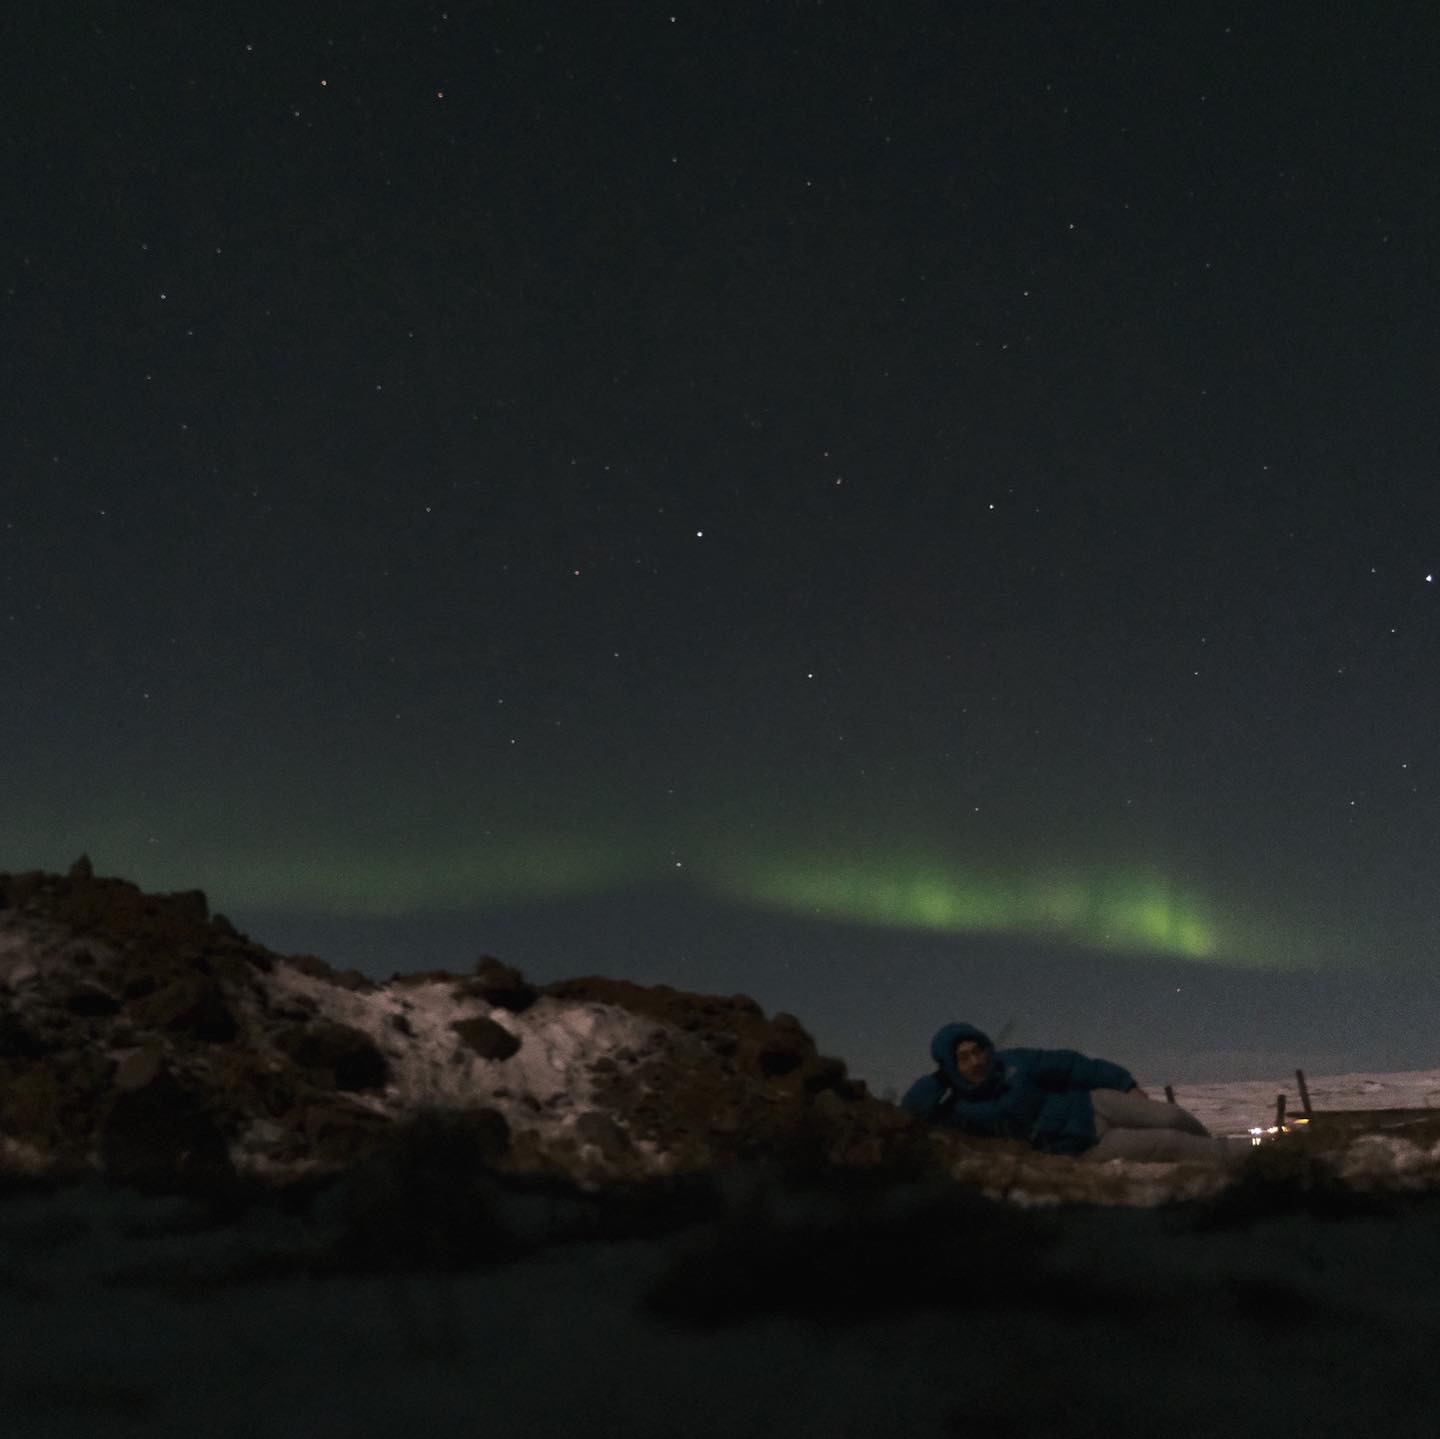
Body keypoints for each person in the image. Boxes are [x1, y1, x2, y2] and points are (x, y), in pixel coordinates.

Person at [901, 1021, 1235, 1165]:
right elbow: (912, 1110)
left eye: (978, 1051)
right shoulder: (957, 1107)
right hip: (1084, 1147)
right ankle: (1242, 1162)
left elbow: (1072, 1065)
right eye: (963, 1058)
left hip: (1093, 1104)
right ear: (949, 1066)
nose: (976, 1061)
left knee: (1172, 1116)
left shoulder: (1014, 1062)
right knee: (1169, 1143)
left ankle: (1225, 1150)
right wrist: (941, 1079)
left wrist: (1125, 1084)